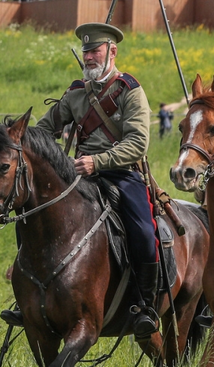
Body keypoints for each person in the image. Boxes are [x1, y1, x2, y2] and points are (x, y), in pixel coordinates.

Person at [10, 23, 159, 340]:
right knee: (32, 213)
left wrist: (99, 161)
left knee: (145, 232)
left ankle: (146, 306)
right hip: (76, 173)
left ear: (112, 52)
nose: (89, 56)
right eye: (86, 51)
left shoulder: (130, 90)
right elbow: (44, 130)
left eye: (95, 51)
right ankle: (26, 295)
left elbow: (138, 144)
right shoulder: (77, 91)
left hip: (121, 173)